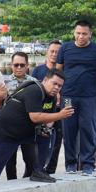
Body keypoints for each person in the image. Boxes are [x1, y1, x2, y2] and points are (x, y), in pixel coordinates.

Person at [0, 71, 74, 184]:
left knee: (47, 133)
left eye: (60, 86)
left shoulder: (52, 98)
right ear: (45, 80)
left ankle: (38, 171)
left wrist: (55, 119)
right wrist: (60, 115)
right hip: (6, 132)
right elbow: (35, 117)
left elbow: (48, 122)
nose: (56, 87)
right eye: (54, 83)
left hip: (26, 133)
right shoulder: (34, 90)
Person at [54, 21, 96, 175]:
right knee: (69, 129)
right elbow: (58, 70)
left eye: (84, 33)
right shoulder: (65, 48)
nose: (81, 36)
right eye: (78, 33)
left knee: (88, 129)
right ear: (74, 33)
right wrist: (57, 91)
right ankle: (70, 164)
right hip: (68, 95)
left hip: (89, 97)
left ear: (90, 34)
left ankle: (88, 164)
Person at [32, 40, 64, 173]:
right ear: (47, 52)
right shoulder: (38, 70)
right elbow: (33, 91)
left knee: (57, 143)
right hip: (42, 113)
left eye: (58, 52)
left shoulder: (65, 71)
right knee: (39, 143)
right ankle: (36, 169)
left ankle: (51, 171)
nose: (55, 54)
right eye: (52, 51)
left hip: (60, 112)